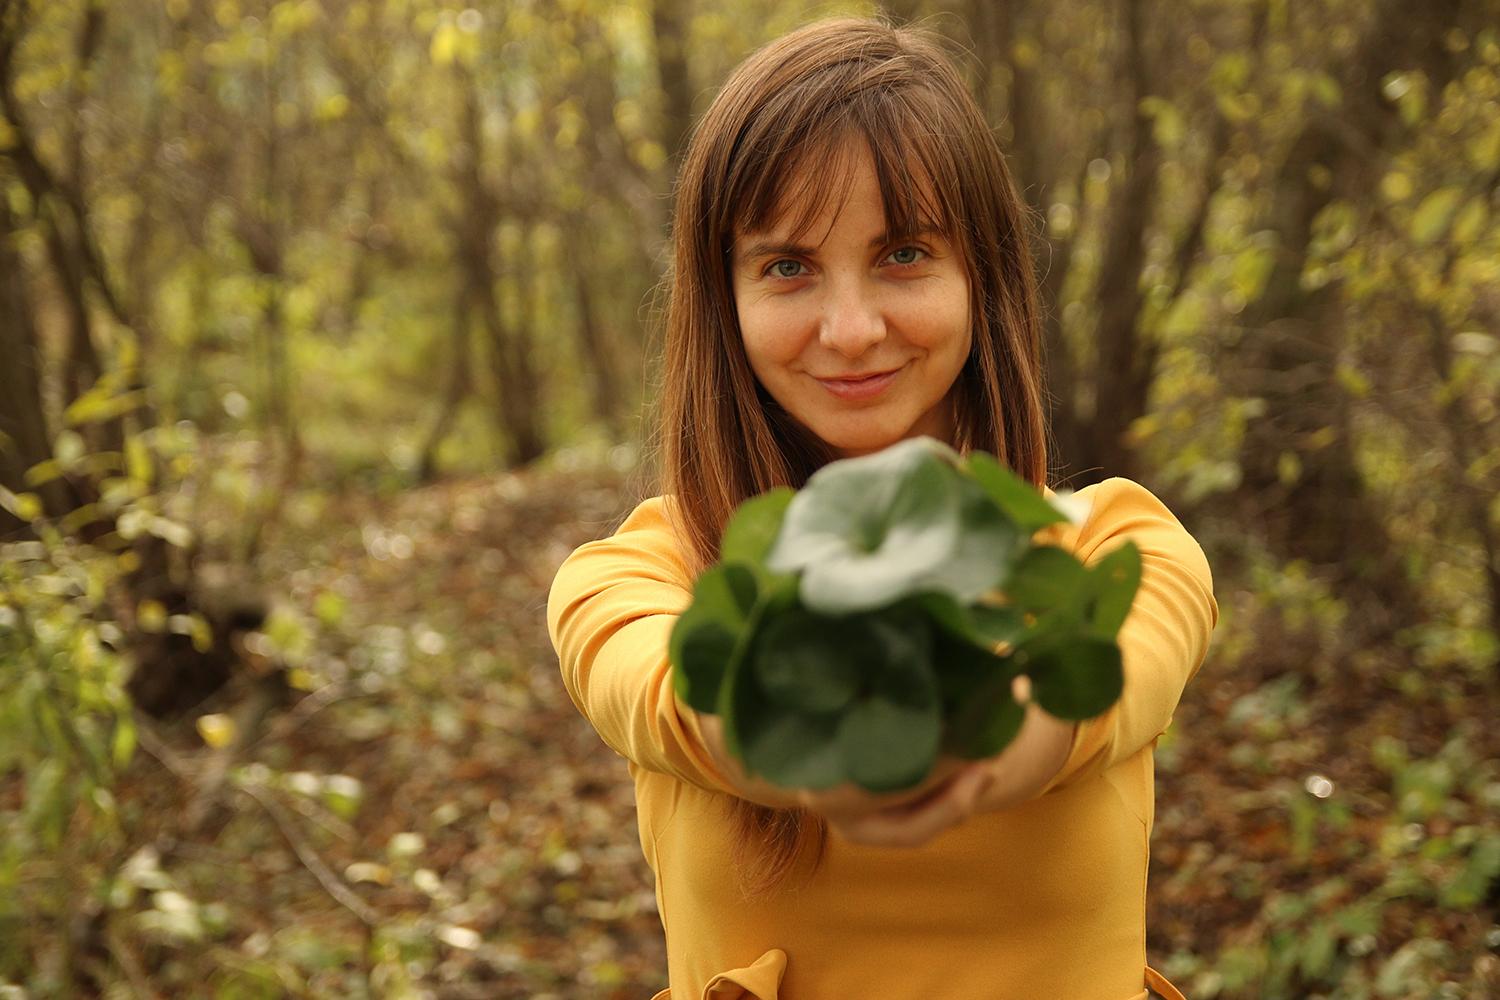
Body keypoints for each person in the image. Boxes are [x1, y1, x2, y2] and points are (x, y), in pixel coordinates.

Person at [547, 16, 1217, 1000]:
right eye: (787, 265)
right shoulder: (635, 575)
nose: (852, 329)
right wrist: (841, 752)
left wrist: (955, 754)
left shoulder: (1121, 543)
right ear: (722, 298)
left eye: (904, 253)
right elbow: (671, 699)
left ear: (979, 278)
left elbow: (1096, 692)